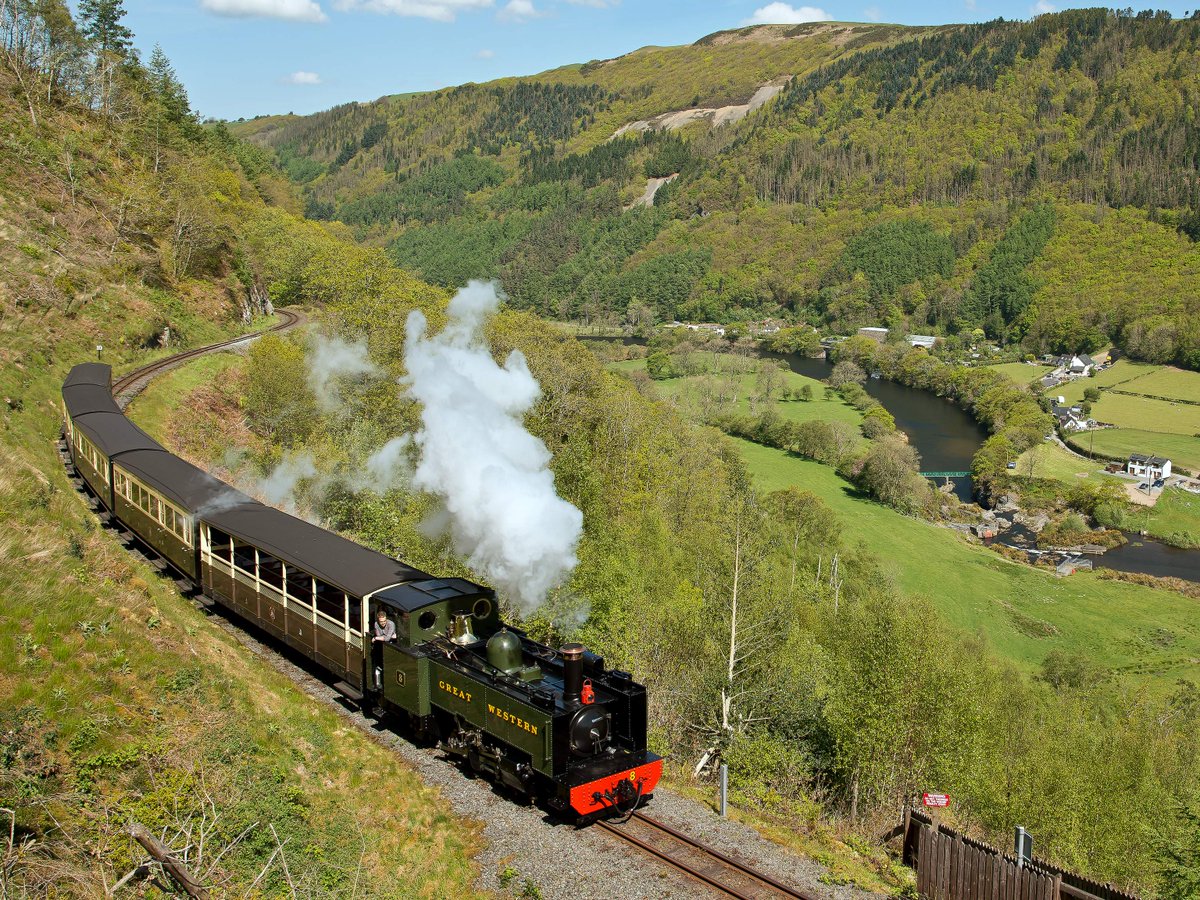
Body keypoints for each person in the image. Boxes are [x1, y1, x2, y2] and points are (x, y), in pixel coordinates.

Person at [372, 609, 396, 691]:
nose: (383, 623)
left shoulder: (391, 624)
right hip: (380, 646)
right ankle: (378, 683)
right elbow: (382, 636)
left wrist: (376, 638)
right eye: (381, 621)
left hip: (392, 645)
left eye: (384, 621)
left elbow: (386, 638)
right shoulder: (376, 624)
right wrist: (380, 637)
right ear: (378, 620)